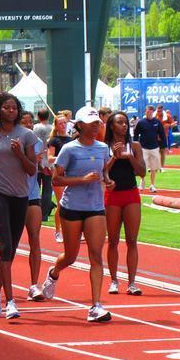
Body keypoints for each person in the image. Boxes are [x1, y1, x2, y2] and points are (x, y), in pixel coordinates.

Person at [42, 106, 114, 322]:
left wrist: (108, 182)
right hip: (72, 207)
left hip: (95, 208)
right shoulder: (69, 149)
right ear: (80, 126)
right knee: (71, 256)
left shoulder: (102, 148)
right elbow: (56, 179)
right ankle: (54, 272)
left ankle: (95, 306)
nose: (95, 128)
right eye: (91, 124)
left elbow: (104, 174)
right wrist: (81, 180)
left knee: (95, 255)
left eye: (97, 124)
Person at [0, 93, 38, 320]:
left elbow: (32, 169)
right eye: (6, 107)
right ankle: (10, 301)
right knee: (5, 245)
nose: (11, 111)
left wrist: (20, 154)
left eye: (14, 107)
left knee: (12, 248)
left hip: (20, 195)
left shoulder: (26, 135)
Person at [105, 111, 146, 295]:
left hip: (131, 194)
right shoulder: (104, 146)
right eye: (120, 122)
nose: (124, 125)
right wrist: (114, 156)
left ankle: (132, 282)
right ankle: (114, 280)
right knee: (113, 240)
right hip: (112, 196)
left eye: (126, 122)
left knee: (132, 240)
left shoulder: (134, 146)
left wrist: (130, 157)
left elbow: (142, 172)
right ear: (111, 126)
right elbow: (102, 171)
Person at [20, 111, 45, 301]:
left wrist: (44, 165)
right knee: (10, 243)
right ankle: (0, 268)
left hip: (32, 195)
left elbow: (41, 166)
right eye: (24, 122)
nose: (28, 125)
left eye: (30, 122)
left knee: (35, 239)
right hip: (11, 195)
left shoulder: (37, 142)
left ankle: (34, 285)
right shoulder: (9, 141)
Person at [48, 114, 73, 242]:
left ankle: (71, 230)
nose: (63, 125)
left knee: (73, 204)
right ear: (56, 126)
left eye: (65, 123)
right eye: (61, 123)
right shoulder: (54, 140)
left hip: (70, 175)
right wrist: (62, 159)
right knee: (61, 204)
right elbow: (49, 158)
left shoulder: (71, 140)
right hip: (58, 175)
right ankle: (58, 231)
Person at [133, 105, 166, 193]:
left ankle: (152, 185)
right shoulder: (141, 122)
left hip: (155, 147)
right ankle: (142, 181)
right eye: (148, 111)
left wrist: (163, 146)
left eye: (151, 111)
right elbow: (136, 135)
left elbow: (162, 134)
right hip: (143, 148)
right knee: (144, 166)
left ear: (153, 112)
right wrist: (135, 146)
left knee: (154, 167)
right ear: (145, 112)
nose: (149, 113)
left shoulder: (157, 122)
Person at [33, 108, 53, 221]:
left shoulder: (36, 128)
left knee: (36, 189)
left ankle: (37, 212)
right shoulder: (52, 128)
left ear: (38, 116)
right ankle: (44, 214)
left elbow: (35, 144)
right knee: (47, 189)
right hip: (48, 162)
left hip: (38, 160)